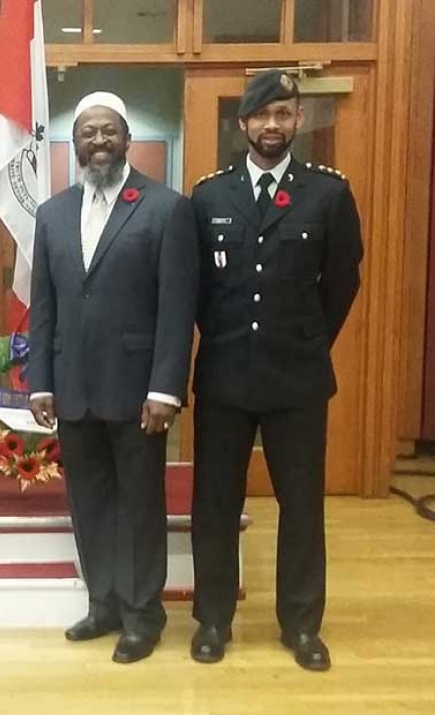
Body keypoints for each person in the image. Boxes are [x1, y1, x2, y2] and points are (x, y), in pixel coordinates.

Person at [189, 69, 363, 671]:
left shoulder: (328, 194)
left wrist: (308, 340)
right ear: (242, 125)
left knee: (302, 503)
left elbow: (342, 283)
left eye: (283, 114)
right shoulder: (210, 195)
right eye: (261, 115)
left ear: (298, 121)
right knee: (214, 503)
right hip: (226, 376)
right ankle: (213, 619)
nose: (272, 125)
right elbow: (198, 293)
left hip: (297, 378)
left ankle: (302, 625)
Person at [29, 92, 199, 663]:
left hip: (138, 393)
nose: (98, 142)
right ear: (74, 144)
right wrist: (40, 382)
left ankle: (142, 614)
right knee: (90, 502)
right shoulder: (52, 213)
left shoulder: (166, 208)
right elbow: (44, 304)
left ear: (127, 138)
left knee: (140, 506)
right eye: (86, 133)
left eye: (108, 132)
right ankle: (103, 603)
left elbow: (178, 308)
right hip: (73, 390)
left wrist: (165, 389)